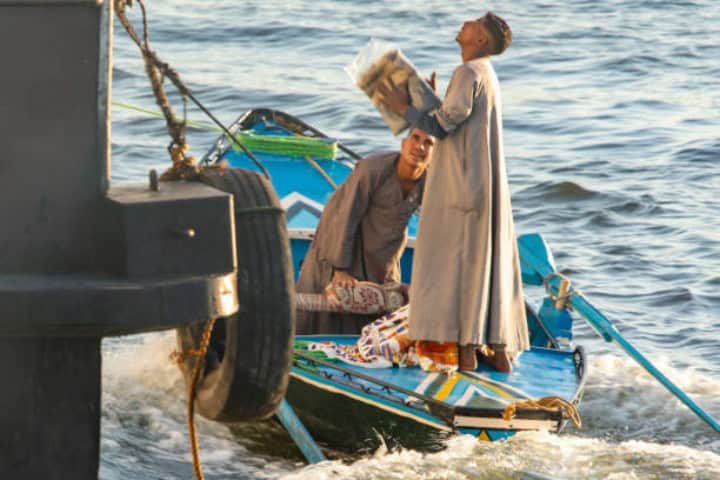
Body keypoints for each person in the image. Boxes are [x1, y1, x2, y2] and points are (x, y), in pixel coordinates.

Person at [377, 12, 529, 372]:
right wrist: (429, 101)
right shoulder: (484, 74)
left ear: (481, 41)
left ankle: (464, 354)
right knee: (479, 266)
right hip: (481, 185)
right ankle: (496, 350)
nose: (465, 22)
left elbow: (443, 127)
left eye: (474, 22)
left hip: (461, 188)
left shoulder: (468, 72)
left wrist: (406, 109)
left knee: (455, 266)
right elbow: (457, 118)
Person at [296, 127, 436, 335]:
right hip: (341, 239)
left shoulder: (430, 181)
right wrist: (340, 269)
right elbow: (345, 214)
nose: (420, 147)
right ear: (403, 144)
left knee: (382, 304)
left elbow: (438, 231)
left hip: (384, 251)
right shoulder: (372, 169)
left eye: (428, 143)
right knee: (332, 306)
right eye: (415, 139)